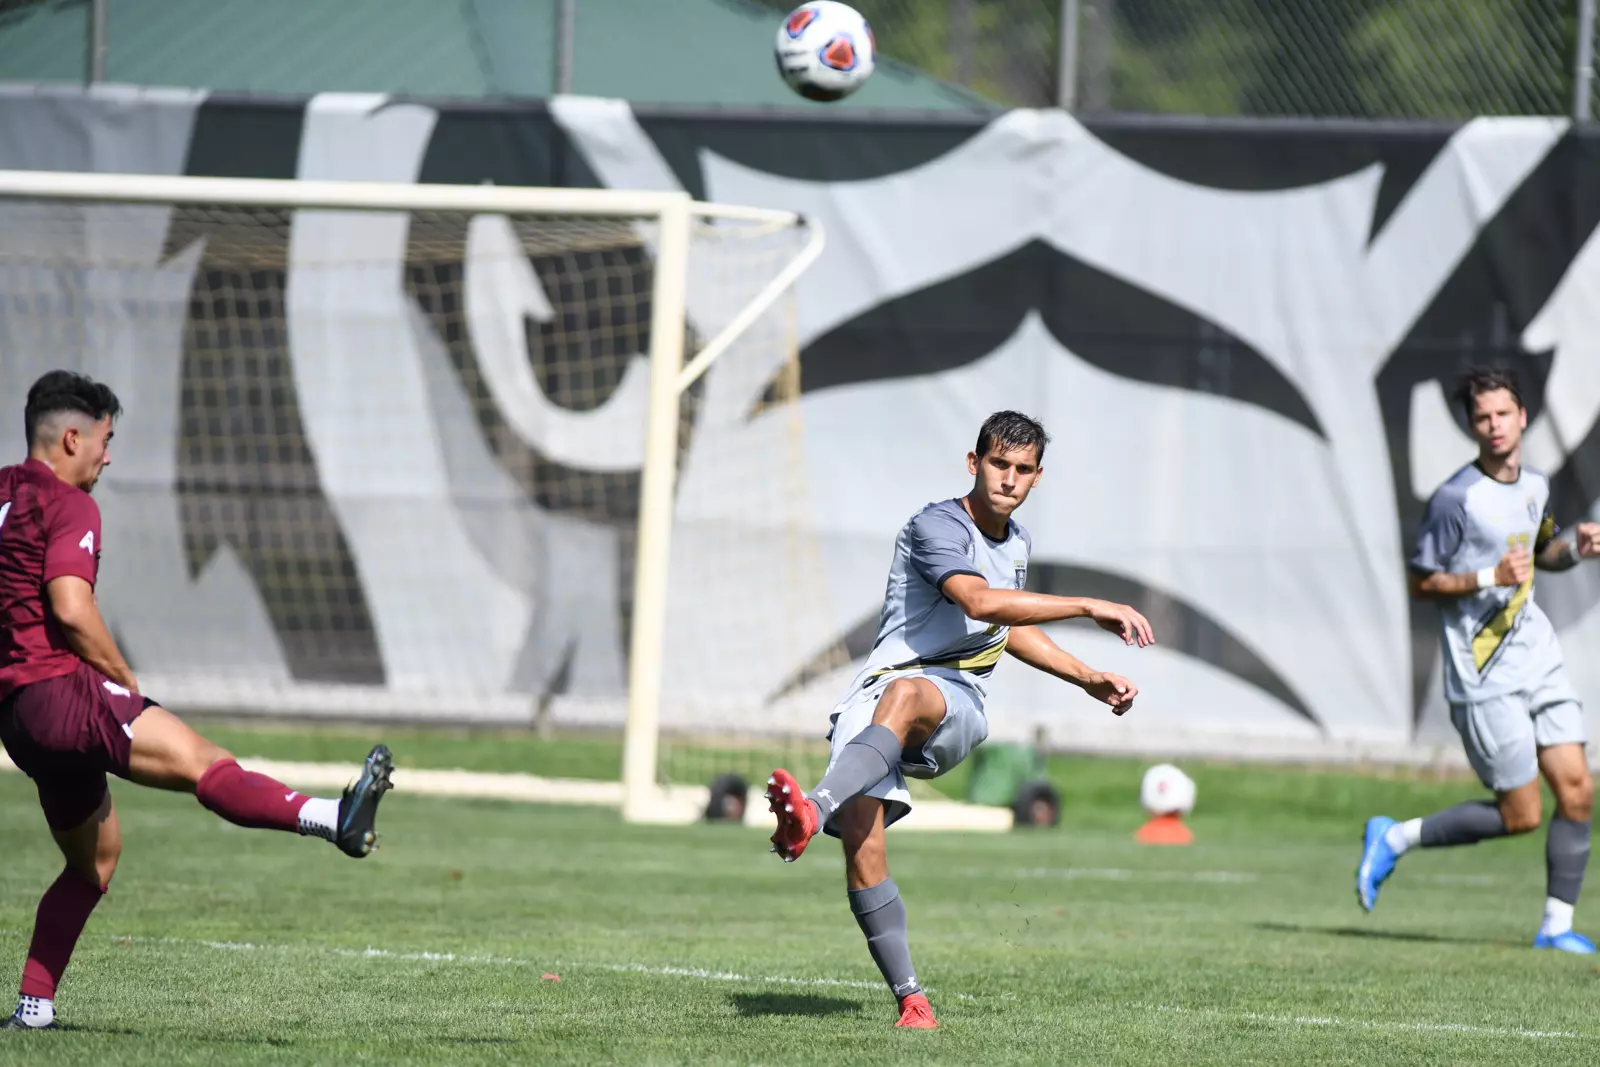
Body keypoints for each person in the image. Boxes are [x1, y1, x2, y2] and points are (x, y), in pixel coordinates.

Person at [1, 370, 393, 1031]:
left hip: (18, 719)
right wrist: (120, 677)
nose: (108, 454)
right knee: (204, 762)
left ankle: (34, 1007)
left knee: (94, 862)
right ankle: (334, 816)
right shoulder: (69, 504)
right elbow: (70, 604)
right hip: (63, 692)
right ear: (71, 437)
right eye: (104, 439)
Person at [764, 411, 1153, 1027]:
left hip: (955, 701)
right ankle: (912, 1002)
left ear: (1037, 477)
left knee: (912, 692)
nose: (1009, 479)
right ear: (974, 464)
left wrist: (1087, 675)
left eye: (1023, 470)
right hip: (872, 703)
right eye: (1000, 464)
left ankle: (810, 810)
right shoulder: (935, 525)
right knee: (865, 849)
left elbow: (1001, 624)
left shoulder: (1017, 543)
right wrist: (1088, 606)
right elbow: (978, 601)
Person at [1356, 368, 1599, 952]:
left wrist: (1577, 548)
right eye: (1481, 418)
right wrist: (1488, 575)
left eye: (1502, 414)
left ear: (1522, 418)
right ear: (1473, 427)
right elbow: (1420, 585)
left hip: (1537, 658)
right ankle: (1395, 838)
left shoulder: (1535, 485)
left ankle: (1555, 928)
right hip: (1483, 672)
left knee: (1578, 792)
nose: (1493, 426)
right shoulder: (1455, 498)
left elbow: (1544, 552)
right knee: (1521, 815)